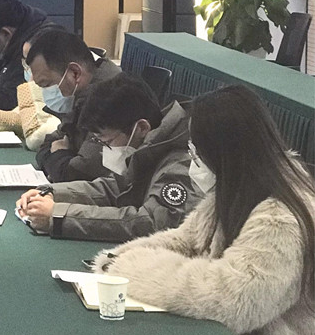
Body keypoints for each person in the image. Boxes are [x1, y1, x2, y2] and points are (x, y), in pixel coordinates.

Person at [93, 85, 315, 335]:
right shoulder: (236, 190)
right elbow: (185, 241)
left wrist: (132, 270)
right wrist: (118, 259)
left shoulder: (283, 217)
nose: (193, 163)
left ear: (224, 154)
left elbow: (232, 299)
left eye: (197, 154)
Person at [16, 72, 201, 241]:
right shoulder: (149, 148)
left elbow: (150, 223)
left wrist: (58, 215)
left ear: (141, 128)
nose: (105, 149)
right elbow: (114, 188)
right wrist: (51, 193)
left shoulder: (180, 163)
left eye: (108, 141)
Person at [28, 27, 121, 182]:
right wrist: (60, 158)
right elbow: (47, 145)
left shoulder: (110, 100)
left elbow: (78, 174)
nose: (46, 93)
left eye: (47, 84)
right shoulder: (80, 94)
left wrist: (58, 155)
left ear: (75, 73)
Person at [0, 34, 60, 150]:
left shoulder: (67, 96)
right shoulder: (47, 90)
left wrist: (31, 86)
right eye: (25, 61)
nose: (28, 68)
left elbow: (38, 137)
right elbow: (23, 116)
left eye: (32, 63)